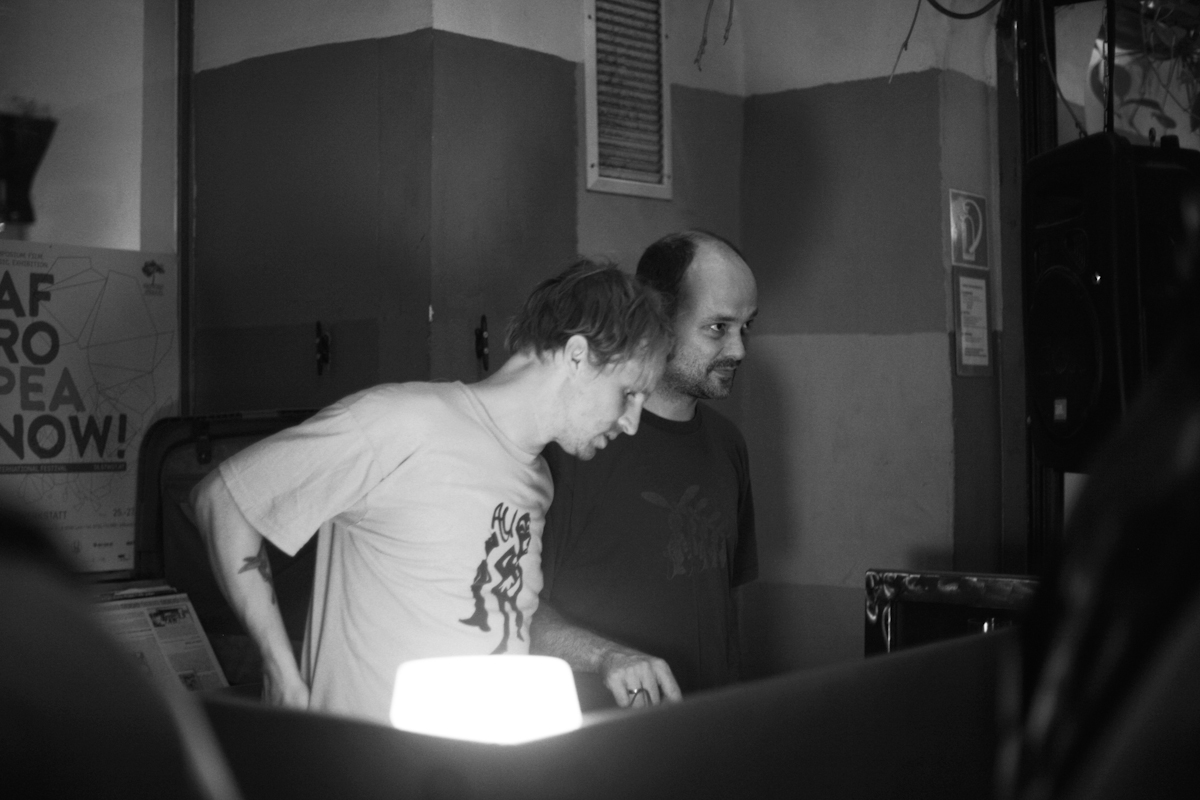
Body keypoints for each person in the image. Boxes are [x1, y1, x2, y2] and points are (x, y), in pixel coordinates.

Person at [192, 260, 672, 725]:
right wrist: (282, 673)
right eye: (628, 394)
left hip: (475, 759)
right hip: (368, 760)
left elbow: (503, 613)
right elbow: (226, 500)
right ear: (577, 355)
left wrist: (604, 656)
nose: (632, 423)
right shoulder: (403, 421)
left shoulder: (537, 478)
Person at [532, 231, 759, 709]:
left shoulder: (728, 444)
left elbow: (726, 605)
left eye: (746, 327)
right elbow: (516, 614)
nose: (739, 349)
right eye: (718, 327)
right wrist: (607, 657)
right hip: (603, 741)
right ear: (661, 319)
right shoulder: (574, 447)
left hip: (708, 734)